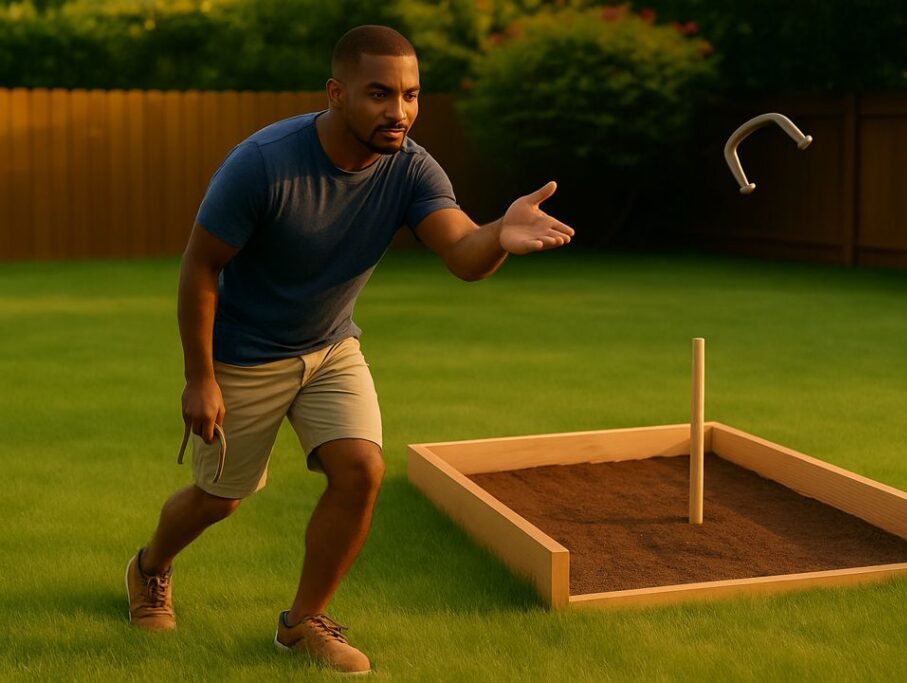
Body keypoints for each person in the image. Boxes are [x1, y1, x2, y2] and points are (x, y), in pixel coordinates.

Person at [123, 24, 573, 674]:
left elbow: (460, 252)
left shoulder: (411, 165)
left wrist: (500, 232)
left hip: (331, 346)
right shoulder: (264, 163)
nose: (400, 111)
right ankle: (150, 566)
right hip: (246, 354)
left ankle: (302, 622)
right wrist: (201, 378)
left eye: (412, 95)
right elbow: (200, 266)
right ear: (337, 93)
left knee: (362, 469)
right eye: (380, 94)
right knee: (221, 496)